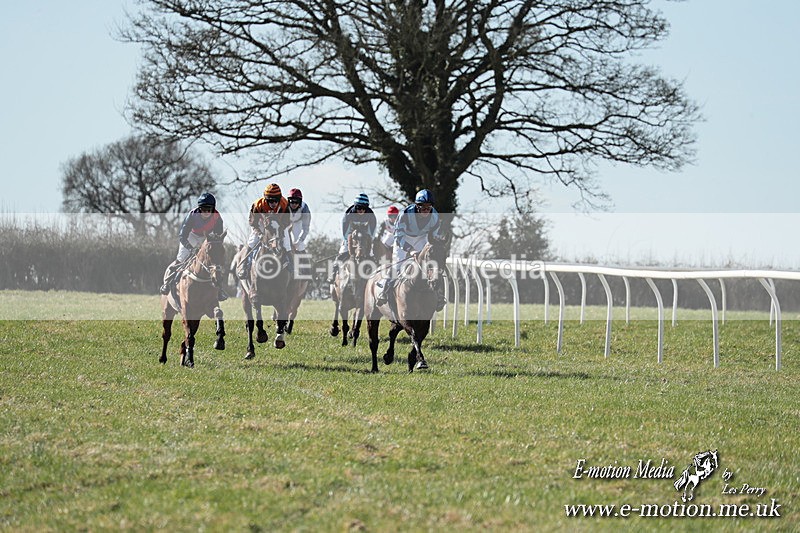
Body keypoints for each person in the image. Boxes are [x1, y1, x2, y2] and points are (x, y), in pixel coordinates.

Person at [376, 189, 445, 310]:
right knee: (397, 266)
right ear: (416, 206)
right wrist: (410, 250)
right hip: (404, 238)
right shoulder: (405, 214)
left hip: (422, 238)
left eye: (428, 207)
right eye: (422, 207)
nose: (426, 210)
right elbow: (398, 236)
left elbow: (433, 237)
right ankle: (384, 289)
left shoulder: (434, 216)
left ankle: (439, 295)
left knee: (431, 265)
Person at [159, 192, 227, 300]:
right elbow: (182, 235)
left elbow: (218, 238)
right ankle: (167, 283)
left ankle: (220, 290)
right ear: (199, 209)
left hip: (207, 238)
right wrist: (190, 248)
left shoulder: (217, 217)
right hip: (191, 236)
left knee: (214, 263)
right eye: (203, 209)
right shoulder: (192, 215)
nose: (206, 212)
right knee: (181, 258)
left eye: (209, 209)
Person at [241, 183, 292, 304]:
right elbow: (252, 222)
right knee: (252, 241)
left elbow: (286, 221)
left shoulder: (285, 204)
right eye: (270, 200)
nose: (273, 203)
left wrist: (279, 230)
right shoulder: (257, 205)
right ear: (266, 199)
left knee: (287, 243)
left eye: (276, 200)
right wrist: (260, 233)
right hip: (260, 226)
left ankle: (291, 265)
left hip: (278, 226)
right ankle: (244, 265)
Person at [326, 193, 377, 283]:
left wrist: (367, 242)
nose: (361, 210)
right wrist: (350, 242)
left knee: (372, 253)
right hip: (351, 237)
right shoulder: (348, 215)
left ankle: (375, 275)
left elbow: (371, 232)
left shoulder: (371, 216)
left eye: (363, 208)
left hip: (364, 238)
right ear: (355, 206)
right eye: (358, 208)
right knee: (342, 252)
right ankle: (333, 273)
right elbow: (346, 232)